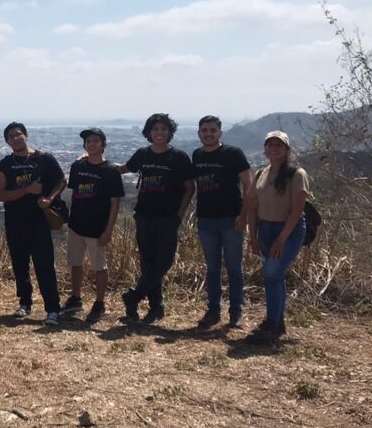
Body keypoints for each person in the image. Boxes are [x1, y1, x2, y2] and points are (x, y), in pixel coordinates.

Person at [117, 113, 194, 324]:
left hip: (168, 217)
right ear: (149, 133)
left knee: (165, 260)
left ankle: (134, 295)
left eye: (163, 129)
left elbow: (189, 188)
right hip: (144, 216)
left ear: (170, 132)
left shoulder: (178, 157)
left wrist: (180, 215)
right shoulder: (142, 154)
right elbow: (123, 169)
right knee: (148, 263)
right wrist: (92, 161)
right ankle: (155, 307)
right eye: (155, 129)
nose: (159, 133)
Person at [0, 122, 66, 325]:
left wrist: (49, 199)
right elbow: (0, 195)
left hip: (39, 221)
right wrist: (27, 190)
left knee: (45, 265)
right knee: (20, 265)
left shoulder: (44, 159)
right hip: (15, 221)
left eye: (18, 134)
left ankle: (53, 308)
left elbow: (61, 181)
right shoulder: (4, 165)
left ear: (26, 135)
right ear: (7, 142)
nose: (15, 139)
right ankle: (24, 303)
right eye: (11, 136)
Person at [246, 131, 310, 340]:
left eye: (278, 145)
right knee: (274, 276)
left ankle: (271, 324)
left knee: (272, 274)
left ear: (286, 149)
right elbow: (253, 207)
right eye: (270, 145)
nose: (274, 149)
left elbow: (297, 210)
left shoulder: (296, 174)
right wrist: (253, 236)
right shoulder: (261, 173)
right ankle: (277, 322)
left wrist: (282, 239)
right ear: (265, 149)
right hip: (265, 228)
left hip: (288, 230)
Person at [192, 116, 252, 329]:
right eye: (205, 130)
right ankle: (213, 310)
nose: (208, 134)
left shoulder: (233, 153)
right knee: (213, 268)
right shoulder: (197, 155)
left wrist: (243, 216)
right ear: (199, 133)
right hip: (206, 220)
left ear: (220, 133)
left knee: (235, 268)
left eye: (213, 130)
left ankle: (236, 312)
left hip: (231, 219)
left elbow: (248, 185)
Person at [61, 128, 124, 323]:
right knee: (75, 262)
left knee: (99, 266)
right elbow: (74, 193)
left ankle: (99, 303)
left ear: (104, 144)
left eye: (96, 141)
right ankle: (76, 297)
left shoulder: (111, 170)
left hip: (97, 227)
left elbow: (115, 203)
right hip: (76, 224)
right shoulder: (77, 167)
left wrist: (108, 230)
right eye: (89, 141)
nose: (92, 144)